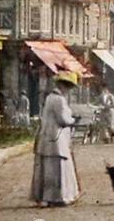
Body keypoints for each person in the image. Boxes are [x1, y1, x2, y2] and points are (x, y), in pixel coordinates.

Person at [30, 69, 81, 207]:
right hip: (57, 139)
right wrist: (73, 120)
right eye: (68, 87)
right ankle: (60, 197)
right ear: (63, 86)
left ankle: (46, 198)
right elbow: (63, 119)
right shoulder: (59, 100)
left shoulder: (49, 97)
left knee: (47, 169)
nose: (68, 90)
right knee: (58, 169)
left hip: (47, 137)